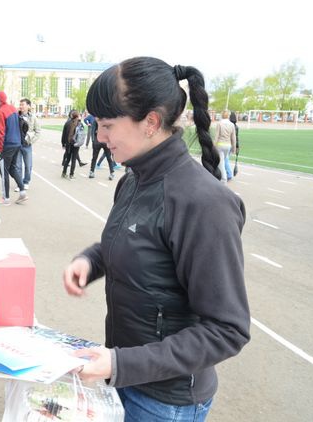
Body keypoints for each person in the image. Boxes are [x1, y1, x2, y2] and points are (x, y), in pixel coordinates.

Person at [63, 57, 250, 422]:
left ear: (150, 122)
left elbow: (227, 330)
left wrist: (120, 363)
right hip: (123, 375)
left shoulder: (204, 203)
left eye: (107, 125)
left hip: (165, 401)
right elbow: (139, 245)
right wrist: (91, 260)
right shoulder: (132, 179)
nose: (99, 137)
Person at [0, 91, 27, 205]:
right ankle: (22, 192)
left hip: (8, 144)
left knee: (3, 171)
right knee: (12, 168)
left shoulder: (0, 112)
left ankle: (5, 198)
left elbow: (1, 133)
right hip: (17, 143)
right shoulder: (12, 108)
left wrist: (0, 149)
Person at [15, 98, 41, 191]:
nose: (21, 106)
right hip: (17, 145)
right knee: (17, 166)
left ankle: (26, 182)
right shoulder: (16, 116)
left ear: (28, 106)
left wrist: (31, 141)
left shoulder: (33, 117)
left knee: (28, 165)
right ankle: (20, 184)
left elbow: (38, 131)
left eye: (23, 104)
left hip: (27, 145)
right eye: (20, 104)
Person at [214, 110, 237, 183]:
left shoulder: (219, 124)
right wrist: (234, 148)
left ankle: (223, 179)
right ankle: (227, 175)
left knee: (221, 163)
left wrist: (213, 146)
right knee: (224, 161)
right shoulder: (232, 124)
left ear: (222, 115)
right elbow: (233, 137)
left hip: (220, 145)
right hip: (228, 145)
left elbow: (216, 136)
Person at [60, 110, 82, 179]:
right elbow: (82, 134)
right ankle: (71, 174)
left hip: (68, 143)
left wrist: (63, 143)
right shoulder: (79, 124)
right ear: (77, 116)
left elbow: (63, 134)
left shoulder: (67, 123)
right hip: (76, 143)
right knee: (74, 159)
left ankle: (64, 173)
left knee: (67, 159)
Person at [229, 111, 240, 178]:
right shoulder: (236, 127)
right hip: (233, 144)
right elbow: (237, 137)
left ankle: (229, 174)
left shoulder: (229, 125)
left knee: (226, 159)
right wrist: (237, 146)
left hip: (228, 143)